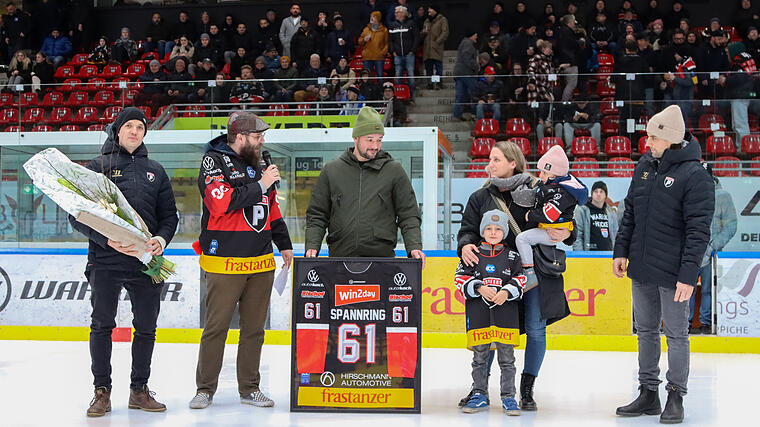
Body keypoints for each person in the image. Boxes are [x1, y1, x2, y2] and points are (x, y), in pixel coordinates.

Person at [68, 107, 178, 417]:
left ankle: (139, 390)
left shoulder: (155, 170)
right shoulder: (96, 167)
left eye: (139, 127)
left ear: (144, 134)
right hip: (105, 261)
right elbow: (77, 215)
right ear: (117, 130)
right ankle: (101, 391)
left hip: (145, 261)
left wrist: (161, 240)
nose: (134, 131)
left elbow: (169, 216)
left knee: (146, 327)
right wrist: (106, 240)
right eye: (128, 126)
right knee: (102, 325)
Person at [613, 105, 714, 424]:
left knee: (676, 334)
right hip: (641, 267)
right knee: (644, 330)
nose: (647, 143)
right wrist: (621, 251)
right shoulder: (644, 165)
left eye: (653, 137)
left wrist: (688, 275)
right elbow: (630, 211)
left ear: (669, 138)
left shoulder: (695, 175)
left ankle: (676, 395)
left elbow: (699, 231)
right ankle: (648, 393)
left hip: (673, 273)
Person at [457, 140, 575, 412]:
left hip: (535, 274)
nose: (490, 164)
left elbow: (568, 218)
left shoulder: (540, 189)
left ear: (513, 163)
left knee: (535, 330)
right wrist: (464, 245)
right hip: (493, 275)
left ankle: (526, 389)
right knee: (488, 329)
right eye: (489, 159)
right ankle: (480, 387)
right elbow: (467, 230)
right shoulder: (480, 197)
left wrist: (568, 232)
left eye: (496, 159)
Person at [190, 112, 292, 410]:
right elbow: (221, 203)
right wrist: (261, 183)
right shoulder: (214, 161)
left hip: (260, 261)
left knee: (254, 330)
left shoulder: (258, 164)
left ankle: (250, 388)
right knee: (216, 328)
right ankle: (205, 388)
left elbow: (271, 209)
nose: (262, 141)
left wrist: (283, 244)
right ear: (239, 136)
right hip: (224, 261)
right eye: (257, 137)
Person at [304, 106, 425, 267]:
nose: (375, 145)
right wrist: (312, 245)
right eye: (370, 139)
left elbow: (408, 214)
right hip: (340, 259)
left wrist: (414, 247)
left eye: (379, 139)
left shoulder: (393, 170)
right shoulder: (332, 171)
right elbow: (317, 214)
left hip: (382, 260)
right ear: (356, 138)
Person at [455, 209, 526, 416]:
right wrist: (478, 287)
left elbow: (521, 279)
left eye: (497, 229)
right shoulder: (472, 253)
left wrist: (507, 291)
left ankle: (509, 397)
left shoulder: (513, 256)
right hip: (479, 316)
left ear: (504, 232)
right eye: (488, 228)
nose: (493, 232)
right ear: (482, 231)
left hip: (506, 317)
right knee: (480, 357)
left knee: (507, 358)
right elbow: (459, 279)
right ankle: (479, 393)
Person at [515, 146, 588, 287]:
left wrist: (531, 215)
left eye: (544, 172)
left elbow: (550, 215)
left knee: (522, 239)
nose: (540, 176)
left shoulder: (561, 191)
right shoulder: (551, 186)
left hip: (549, 236)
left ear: (554, 175)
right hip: (545, 233)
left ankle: (528, 273)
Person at [690, 169, 737, 334]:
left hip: (712, 255)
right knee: (686, 287)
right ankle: (685, 323)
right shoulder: (689, 194)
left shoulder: (723, 196)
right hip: (690, 252)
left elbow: (731, 225)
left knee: (710, 289)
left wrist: (712, 246)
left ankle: (706, 322)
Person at [573, 181, 619, 251]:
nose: (598, 194)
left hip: (608, 254)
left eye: (601, 192)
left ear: (606, 195)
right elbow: (577, 234)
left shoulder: (610, 212)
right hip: (589, 254)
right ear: (592, 194)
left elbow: (616, 234)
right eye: (595, 191)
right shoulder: (582, 210)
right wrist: (579, 255)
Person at [388, 5, 420, 97]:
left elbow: (416, 38)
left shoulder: (411, 24)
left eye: (397, 12)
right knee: (398, 76)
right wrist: (393, 51)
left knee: (410, 75)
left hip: (409, 54)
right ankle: (398, 96)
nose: (395, 14)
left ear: (402, 13)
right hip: (397, 55)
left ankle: (411, 95)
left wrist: (412, 51)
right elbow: (390, 40)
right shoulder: (392, 25)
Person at [453, 29, 479, 120]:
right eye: (475, 35)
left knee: (460, 95)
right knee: (476, 91)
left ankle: (457, 114)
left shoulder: (463, 42)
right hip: (466, 73)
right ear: (471, 35)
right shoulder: (468, 43)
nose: (477, 37)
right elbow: (466, 58)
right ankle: (475, 113)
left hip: (459, 73)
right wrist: (476, 66)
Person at [421, 4, 449, 89]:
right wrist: (423, 32)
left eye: (430, 9)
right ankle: (429, 83)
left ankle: (438, 83)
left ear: (435, 10)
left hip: (436, 48)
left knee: (438, 67)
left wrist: (437, 42)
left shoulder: (442, 20)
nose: (428, 10)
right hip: (427, 49)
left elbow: (445, 32)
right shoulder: (426, 21)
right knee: (428, 68)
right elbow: (422, 34)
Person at [359, 11, 389, 77]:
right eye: (371, 17)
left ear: (378, 18)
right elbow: (359, 42)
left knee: (380, 76)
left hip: (379, 57)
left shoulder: (384, 30)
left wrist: (382, 53)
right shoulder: (366, 29)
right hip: (367, 57)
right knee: (366, 77)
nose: (371, 18)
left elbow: (387, 43)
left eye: (374, 17)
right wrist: (364, 40)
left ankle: (380, 87)